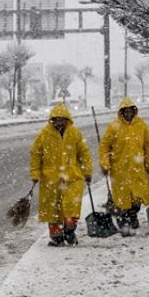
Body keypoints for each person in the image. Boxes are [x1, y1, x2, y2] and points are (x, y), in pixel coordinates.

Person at [30, 103, 93, 246]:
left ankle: (70, 230)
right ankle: (57, 236)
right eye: (56, 119)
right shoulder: (44, 135)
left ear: (67, 119)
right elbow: (35, 153)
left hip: (72, 177)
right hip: (50, 179)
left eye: (62, 119)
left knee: (70, 205)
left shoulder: (75, 133)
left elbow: (84, 154)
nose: (59, 122)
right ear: (52, 120)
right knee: (52, 210)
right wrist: (35, 173)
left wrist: (87, 171)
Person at [98, 97, 149, 236]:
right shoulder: (114, 127)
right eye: (126, 111)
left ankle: (132, 215)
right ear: (121, 112)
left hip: (138, 168)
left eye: (130, 111)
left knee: (137, 197)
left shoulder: (141, 125)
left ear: (134, 111)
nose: (128, 113)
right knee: (122, 199)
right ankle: (124, 223)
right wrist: (105, 164)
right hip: (119, 169)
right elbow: (104, 146)